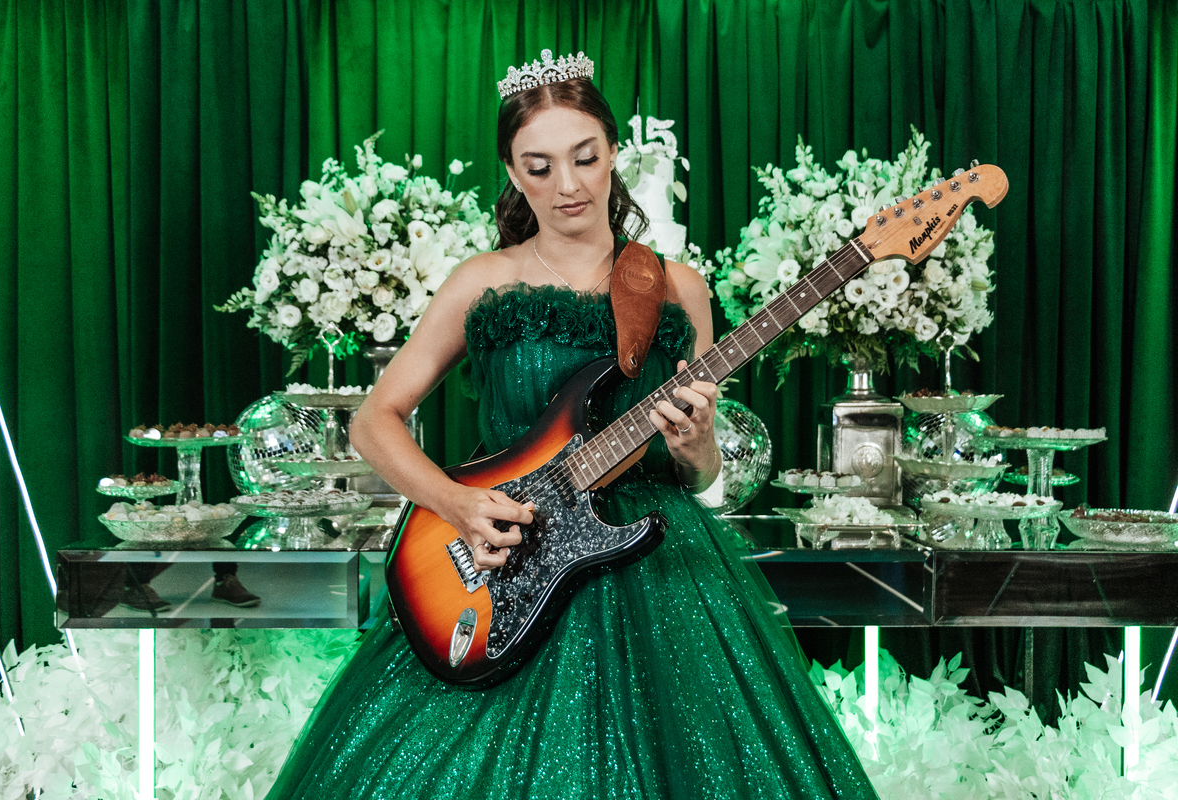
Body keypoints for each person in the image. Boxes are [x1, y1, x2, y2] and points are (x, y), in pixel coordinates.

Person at [263, 51, 878, 800]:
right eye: (540, 165)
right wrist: (458, 504)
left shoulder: (677, 287)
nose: (568, 185)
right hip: (504, 557)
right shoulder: (482, 281)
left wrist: (698, 447)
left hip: (660, 567)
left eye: (585, 158)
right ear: (512, 172)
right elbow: (373, 422)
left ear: (615, 152)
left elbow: (701, 473)